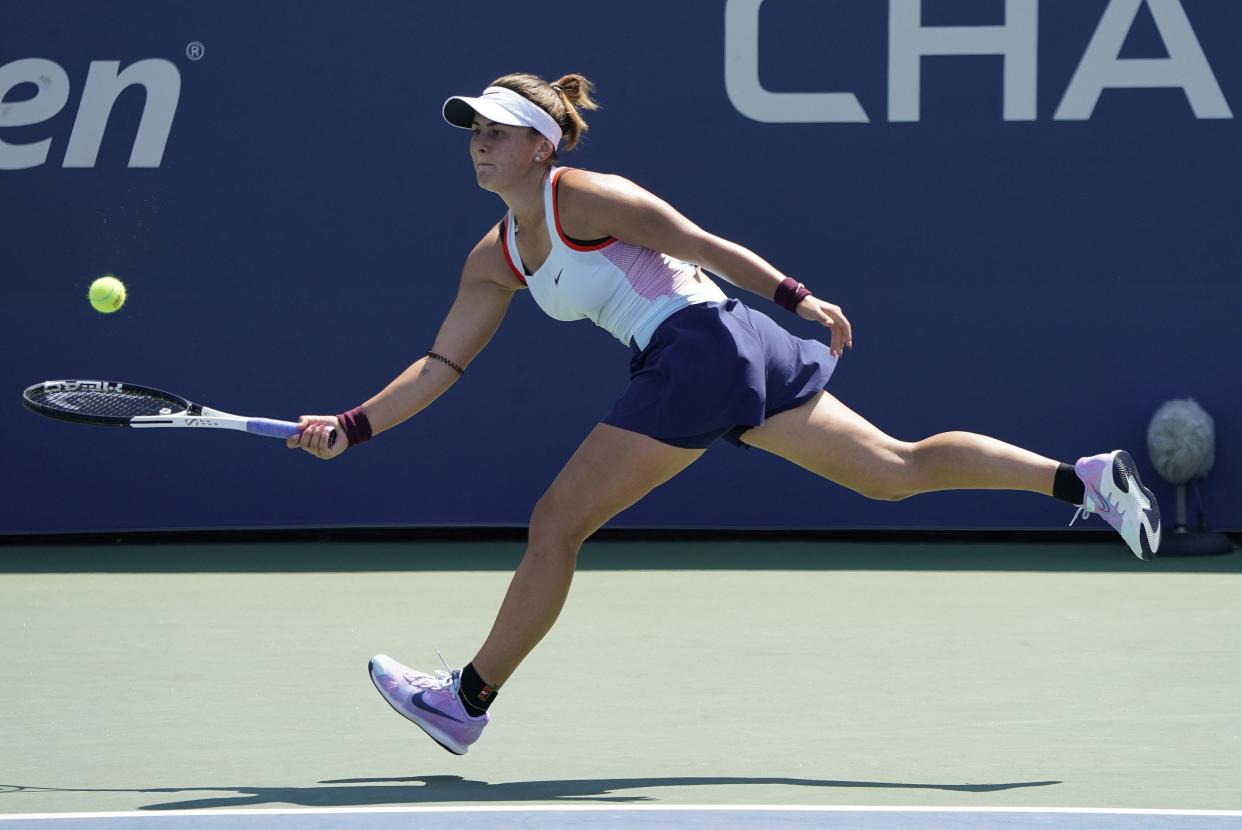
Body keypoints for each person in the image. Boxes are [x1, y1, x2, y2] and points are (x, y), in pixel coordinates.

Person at [287, 72, 1162, 755]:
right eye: (472, 131)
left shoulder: (582, 196)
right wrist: (353, 424)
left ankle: (465, 703)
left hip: (703, 343)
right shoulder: (494, 256)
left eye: (496, 132)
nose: (478, 144)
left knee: (554, 523)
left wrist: (798, 295)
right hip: (722, 349)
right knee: (893, 473)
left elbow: (697, 243)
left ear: (541, 147)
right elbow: (443, 364)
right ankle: (1079, 479)